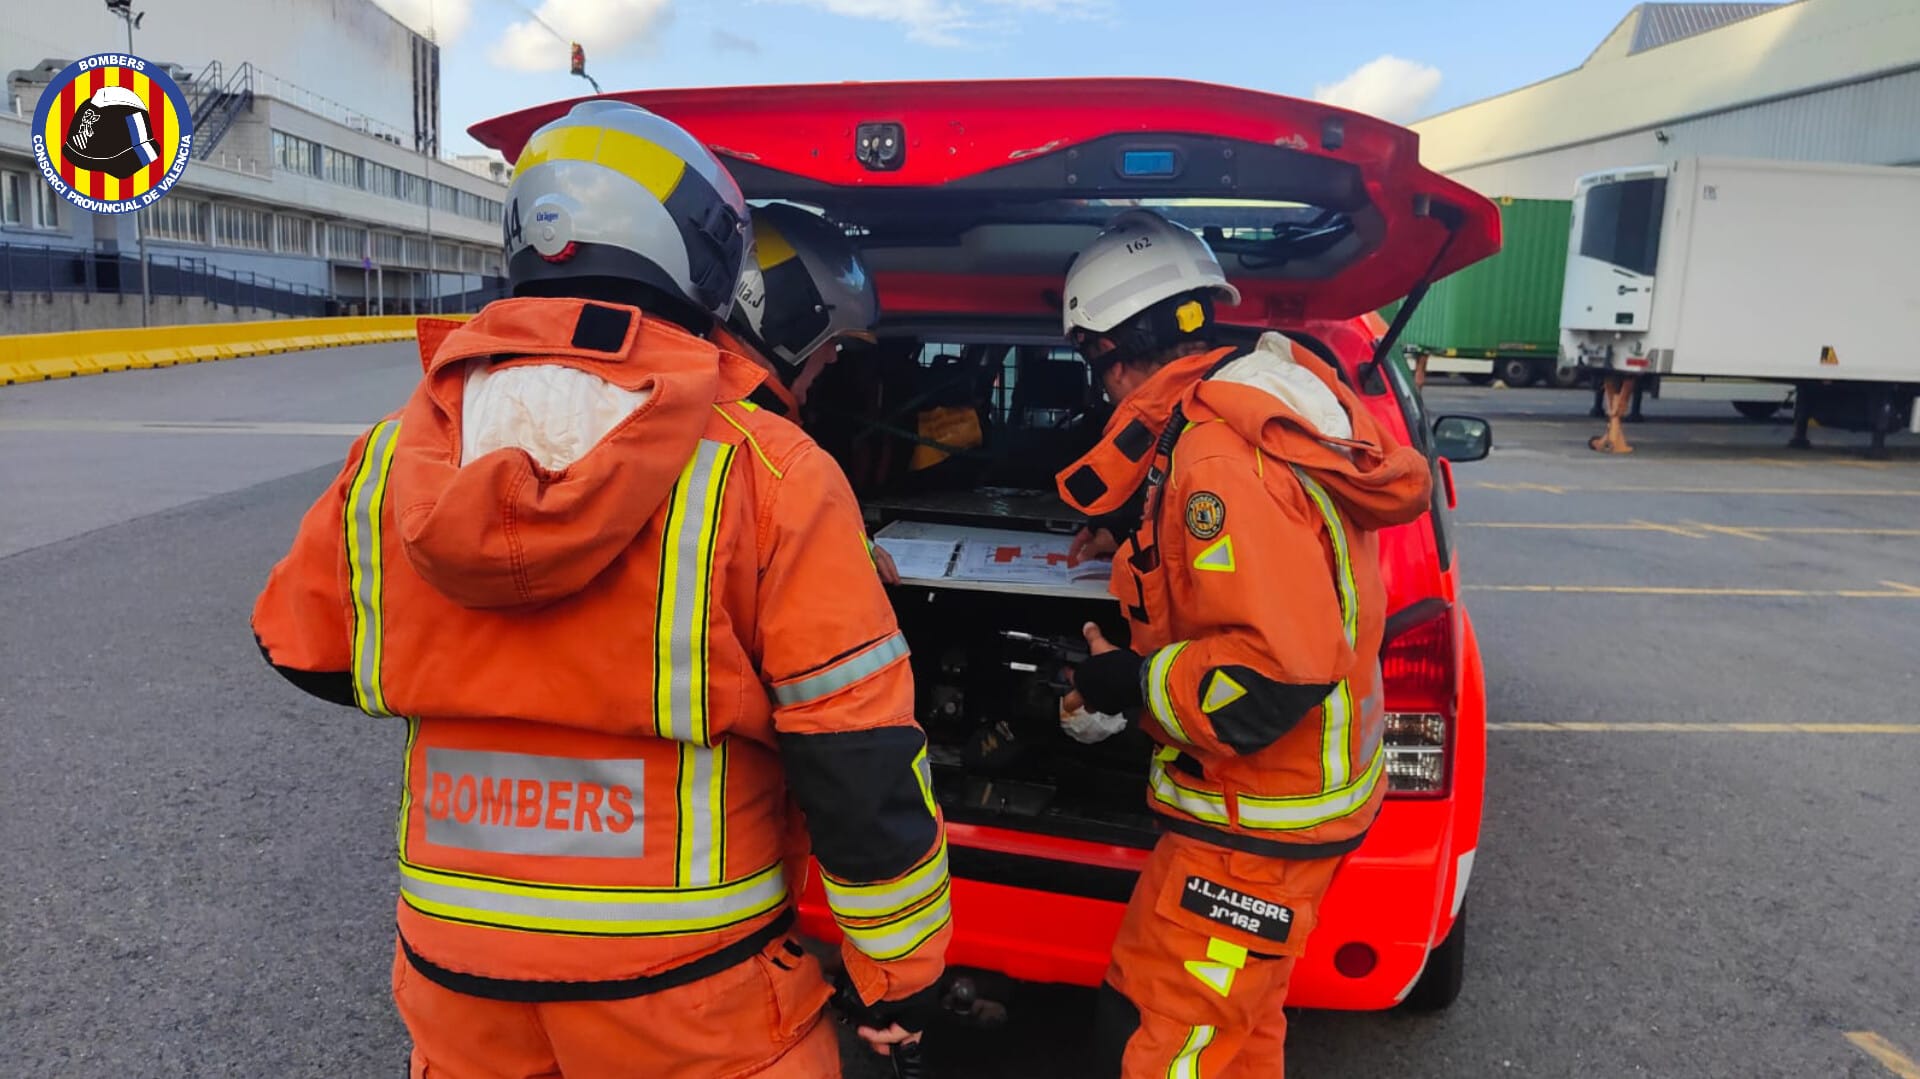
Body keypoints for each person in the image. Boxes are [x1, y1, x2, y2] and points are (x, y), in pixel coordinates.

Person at [251, 100, 950, 1078]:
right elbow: (856, 754)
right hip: (690, 986)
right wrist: (899, 972)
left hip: (458, 971)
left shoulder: (392, 456)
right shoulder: (768, 471)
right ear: (707, 260)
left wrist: (486, 674)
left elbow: (299, 647)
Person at [1051, 209, 1432, 1078]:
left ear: (1113, 348)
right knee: (1239, 1037)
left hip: (1252, 828)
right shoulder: (1245, 408)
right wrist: (1134, 539)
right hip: (1275, 814)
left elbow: (1271, 676)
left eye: (1090, 358)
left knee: (1156, 1039)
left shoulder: (1219, 458)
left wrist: (1127, 683)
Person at [717, 201, 903, 584]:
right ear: (790, 322)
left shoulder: (678, 400)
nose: (833, 357)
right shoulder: (782, 461)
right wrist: (834, 547)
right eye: (831, 339)